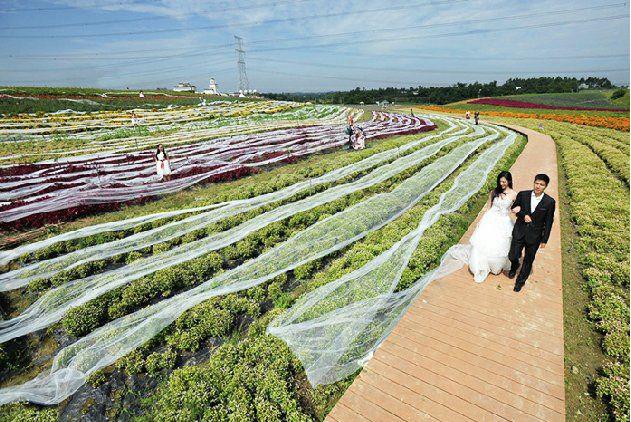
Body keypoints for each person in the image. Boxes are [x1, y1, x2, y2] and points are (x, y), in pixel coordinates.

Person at [447, 171, 518, 283]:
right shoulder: (494, 191)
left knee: (500, 242)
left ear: (509, 181)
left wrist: (516, 210)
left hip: (504, 221)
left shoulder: (514, 194)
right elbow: (489, 207)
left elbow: (516, 207)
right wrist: (481, 220)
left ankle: (495, 264)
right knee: (485, 240)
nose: (502, 184)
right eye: (500, 181)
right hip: (490, 219)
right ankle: (480, 264)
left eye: (504, 181)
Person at [508, 174, 556, 292]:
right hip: (519, 230)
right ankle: (514, 265)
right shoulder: (523, 194)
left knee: (528, 260)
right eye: (537, 183)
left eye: (541, 184)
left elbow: (549, 222)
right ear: (534, 182)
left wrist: (544, 239)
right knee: (513, 255)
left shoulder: (549, 202)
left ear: (545, 186)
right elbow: (515, 207)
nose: (538, 186)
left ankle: (520, 281)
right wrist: (523, 214)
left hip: (535, 235)